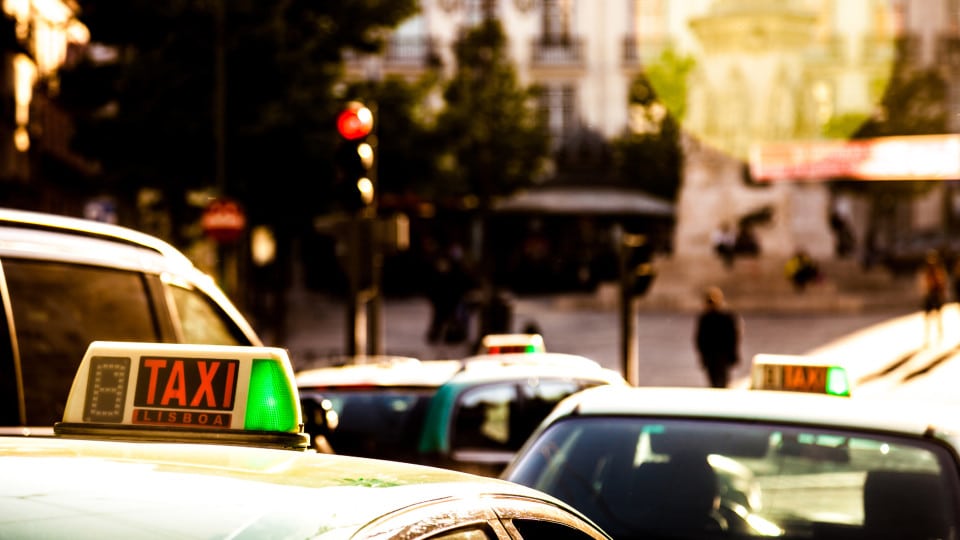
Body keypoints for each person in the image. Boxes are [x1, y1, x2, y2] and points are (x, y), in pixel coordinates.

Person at [694, 287, 742, 388]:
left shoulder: (706, 318)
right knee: (720, 381)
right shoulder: (726, 317)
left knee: (716, 382)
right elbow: (734, 337)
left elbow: (699, 340)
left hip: (715, 356)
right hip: (720, 356)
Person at [919, 250, 947, 345]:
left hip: (935, 295)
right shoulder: (927, 272)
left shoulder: (938, 271)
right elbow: (924, 284)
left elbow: (942, 284)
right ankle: (929, 336)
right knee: (929, 317)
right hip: (930, 296)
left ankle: (939, 334)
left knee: (938, 316)